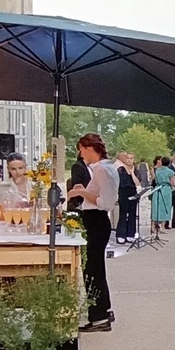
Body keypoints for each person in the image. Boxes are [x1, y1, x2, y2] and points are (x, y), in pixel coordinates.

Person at [66, 133, 118, 332]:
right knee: (95, 268)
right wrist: (84, 190)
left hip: (96, 221)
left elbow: (105, 202)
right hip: (95, 221)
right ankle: (103, 309)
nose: (80, 154)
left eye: (81, 149)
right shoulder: (104, 168)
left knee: (92, 270)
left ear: (88, 148)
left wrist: (81, 193)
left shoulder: (102, 170)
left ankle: (99, 316)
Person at [115, 151, 140, 244]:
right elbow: (120, 182)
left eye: (131, 158)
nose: (129, 160)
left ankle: (130, 234)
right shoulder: (121, 169)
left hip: (133, 192)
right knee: (123, 214)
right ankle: (121, 234)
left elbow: (137, 183)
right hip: (123, 192)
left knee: (132, 214)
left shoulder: (136, 170)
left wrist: (132, 173)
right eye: (127, 158)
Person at [151, 157, 175, 236]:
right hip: (166, 190)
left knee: (156, 206)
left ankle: (154, 225)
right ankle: (162, 226)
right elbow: (172, 183)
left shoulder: (157, 170)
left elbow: (155, 179)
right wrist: (172, 188)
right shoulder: (170, 172)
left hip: (157, 189)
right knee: (166, 207)